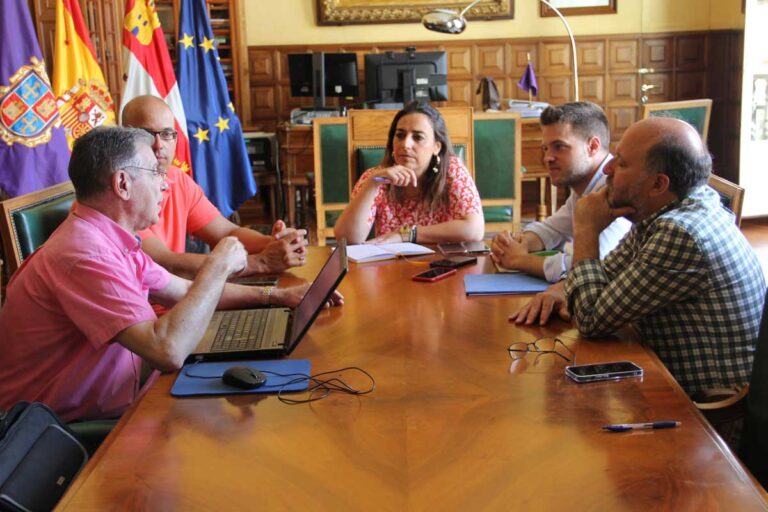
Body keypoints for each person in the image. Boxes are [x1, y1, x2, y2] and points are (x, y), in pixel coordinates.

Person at [0, 127, 339, 422]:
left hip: (130, 395)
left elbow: (183, 291)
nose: (165, 186)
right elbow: (168, 350)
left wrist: (278, 297)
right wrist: (218, 265)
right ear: (122, 183)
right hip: (66, 434)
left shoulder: (110, 237)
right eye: (155, 173)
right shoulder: (86, 254)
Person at [513, 116, 765, 397]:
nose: (607, 168)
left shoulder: (680, 233)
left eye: (620, 163)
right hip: (658, 378)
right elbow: (607, 274)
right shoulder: (667, 209)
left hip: (701, 412)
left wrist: (586, 228)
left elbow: (590, 319)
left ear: (658, 184)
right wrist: (565, 289)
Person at [121, 95, 307, 278]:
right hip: (143, 306)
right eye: (147, 134)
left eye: (167, 134)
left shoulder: (177, 178)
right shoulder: (122, 190)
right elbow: (165, 263)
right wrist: (261, 262)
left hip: (178, 299)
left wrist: (276, 243)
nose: (159, 145)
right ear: (125, 137)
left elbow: (227, 232)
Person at [491, 102, 630, 282]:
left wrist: (520, 260)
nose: (547, 158)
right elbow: (552, 229)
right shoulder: (585, 186)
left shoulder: (615, 188)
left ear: (593, 147)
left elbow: (597, 266)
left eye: (559, 146)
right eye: (545, 148)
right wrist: (517, 243)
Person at [334, 101, 484, 244]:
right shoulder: (376, 177)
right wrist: (372, 184)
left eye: (418, 137)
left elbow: (474, 230)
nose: (405, 144)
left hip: (443, 265)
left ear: (436, 147)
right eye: (400, 135)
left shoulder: (452, 170)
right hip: (391, 266)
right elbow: (346, 239)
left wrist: (406, 234)